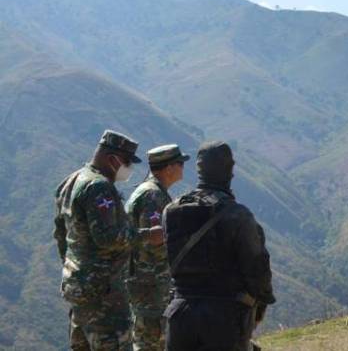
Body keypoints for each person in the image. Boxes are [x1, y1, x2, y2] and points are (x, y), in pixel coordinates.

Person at [163, 141, 274, 351]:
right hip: (224, 318)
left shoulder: (171, 211)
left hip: (179, 315)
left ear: (199, 170)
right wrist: (260, 306)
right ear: (229, 171)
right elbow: (257, 269)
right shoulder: (238, 215)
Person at [54, 129, 158, 351]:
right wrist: (148, 235)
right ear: (112, 159)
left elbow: (61, 234)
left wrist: (75, 267)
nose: (129, 169)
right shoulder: (99, 187)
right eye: (127, 162)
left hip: (78, 287)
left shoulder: (71, 181)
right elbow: (108, 238)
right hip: (104, 294)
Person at [125, 144, 189, 351]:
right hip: (150, 284)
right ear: (169, 168)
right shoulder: (152, 196)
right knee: (152, 341)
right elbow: (154, 241)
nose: (183, 167)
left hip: (149, 283)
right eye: (180, 163)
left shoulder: (153, 192)